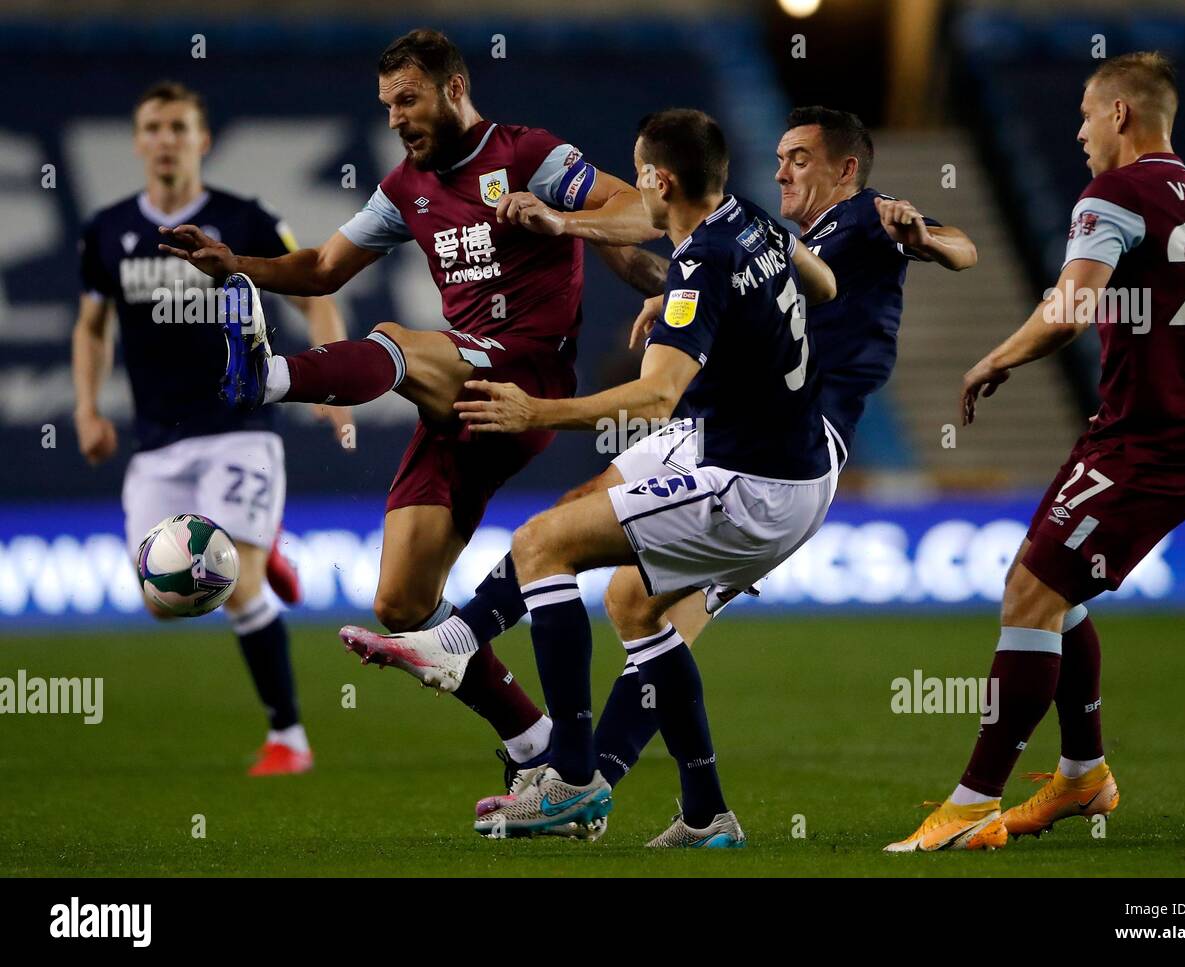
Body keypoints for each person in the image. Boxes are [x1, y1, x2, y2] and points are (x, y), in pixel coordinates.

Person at [342, 106, 978, 811]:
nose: (781, 168)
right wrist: (649, 278)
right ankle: (679, 804)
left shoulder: (865, 216)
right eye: (777, 156)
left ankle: (574, 775)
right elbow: (802, 281)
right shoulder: (760, 224)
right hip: (743, 430)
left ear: (847, 169)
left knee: (565, 553)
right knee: (616, 586)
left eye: (798, 156)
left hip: (784, 451)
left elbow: (960, 249)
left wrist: (923, 232)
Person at [158, 29, 662, 772]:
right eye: (387, 105)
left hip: (528, 380)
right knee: (400, 600)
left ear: (455, 89)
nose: (395, 118)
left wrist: (563, 219)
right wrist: (238, 264)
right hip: (458, 394)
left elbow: (642, 209)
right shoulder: (406, 189)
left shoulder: (529, 156)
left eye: (408, 99)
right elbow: (325, 267)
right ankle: (534, 742)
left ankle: (268, 379)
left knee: (399, 340)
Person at [885, 52, 1185, 852]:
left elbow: (1068, 310)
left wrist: (993, 358)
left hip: (1146, 443)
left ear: (1122, 115)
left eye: (1087, 114)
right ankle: (1082, 774)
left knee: (1029, 597)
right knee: (1052, 593)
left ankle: (970, 808)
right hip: (1167, 436)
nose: (1079, 132)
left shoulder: (1117, 194)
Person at [74, 81, 351, 775]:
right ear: (138, 142)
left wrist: (331, 376)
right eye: (154, 127)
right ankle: (263, 546)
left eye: (179, 127)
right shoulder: (107, 230)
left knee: (237, 582)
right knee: (162, 598)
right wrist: (85, 409)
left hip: (238, 425)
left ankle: (289, 737)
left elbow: (314, 289)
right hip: (156, 442)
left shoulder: (245, 219)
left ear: (203, 139)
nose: (166, 139)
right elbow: (91, 325)